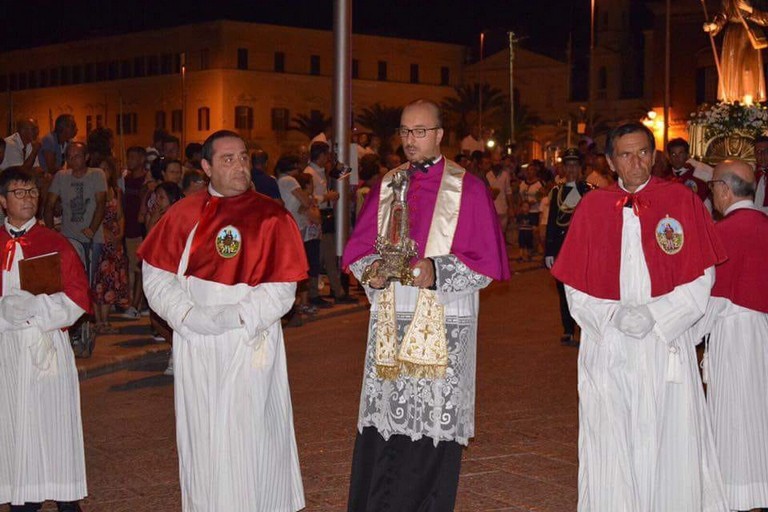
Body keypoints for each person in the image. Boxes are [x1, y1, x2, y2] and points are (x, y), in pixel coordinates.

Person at [551, 122, 728, 511]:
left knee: (668, 434)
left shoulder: (680, 202)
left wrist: (657, 316)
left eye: (644, 152)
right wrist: (612, 316)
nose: (637, 162)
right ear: (612, 162)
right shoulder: (593, 208)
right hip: (609, 345)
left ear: (654, 155)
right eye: (626, 155)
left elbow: (702, 278)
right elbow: (574, 286)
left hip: (663, 343)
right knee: (610, 436)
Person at [342, 99, 509, 511]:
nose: (410, 140)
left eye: (419, 131)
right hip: (390, 320)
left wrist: (437, 270)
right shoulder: (386, 185)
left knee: (430, 420)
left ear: (439, 135)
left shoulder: (466, 187)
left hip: (442, 319)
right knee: (385, 423)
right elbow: (360, 250)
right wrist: (372, 272)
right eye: (404, 131)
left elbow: (485, 264)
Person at [138, 130, 307, 511]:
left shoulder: (273, 216)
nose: (239, 166)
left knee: (253, 433)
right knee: (203, 434)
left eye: (244, 157)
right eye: (228, 159)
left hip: (251, 341)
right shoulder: (182, 214)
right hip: (197, 342)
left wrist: (237, 315)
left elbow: (283, 289)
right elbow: (156, 276)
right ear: (206, 167)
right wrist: (188, 316)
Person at [0, 167, 90, 512]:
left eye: (33, 192)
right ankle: (24, 496)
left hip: (46, 346)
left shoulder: (54, 243)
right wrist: (6, 314)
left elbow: (79, 299)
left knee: (53, 427)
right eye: (19, 192)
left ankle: (67, 500)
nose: (29, 198)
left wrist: (37, 309)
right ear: (3, 201)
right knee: (15, 427)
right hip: (7, 350)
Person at [697, 159, 768, 511]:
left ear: (724, 190)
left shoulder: (723, 232)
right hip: (762, 334)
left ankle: (735, 495)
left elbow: (713, 297)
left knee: (734, 416)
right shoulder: (765, 225)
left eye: (712, 188)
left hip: (733, 335)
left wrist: (685, 335)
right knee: (760, 413)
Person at [544, 148, 591, 346]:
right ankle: (568, 329)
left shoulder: (589, 190)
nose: (571, 169)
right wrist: (549, 251)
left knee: (584, 291)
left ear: (580, 168)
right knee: (563, 291)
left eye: (575, 165)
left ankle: (586, 328)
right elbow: (552, 223)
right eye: (568, 165)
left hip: (582, 247)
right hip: (562, 247)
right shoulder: (556, 192)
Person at [45, 142, 107, 286]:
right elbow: (48, 205)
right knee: (69, 280)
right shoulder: (61, 176)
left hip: (92, 238)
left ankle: (87, 308)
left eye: (77, 156)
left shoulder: (97, 174)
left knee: (89, 281)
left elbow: (101, 203)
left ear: (86, 157)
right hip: (69, 237)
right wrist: (51, 232)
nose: (73, 159)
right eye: (69, 156)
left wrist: (92, 229)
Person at [303, 141, 357, 306]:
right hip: (317, 217)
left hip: (326, 216)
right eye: (327, 155)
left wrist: (335, 165)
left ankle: (337, 291)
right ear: (321, 155)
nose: (329, 158)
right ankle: (319, 293)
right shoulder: (310, 173)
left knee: (328, 255)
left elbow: (345, 174)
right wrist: (327, 197)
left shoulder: (321, 171)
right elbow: (308, 198)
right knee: (319, 257)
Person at [92, 158, 130, 334]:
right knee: (97, 281)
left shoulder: (116, 191)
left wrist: (120, 233)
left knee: (110, 281)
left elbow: (120, 215)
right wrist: (103, 232)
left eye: (105, 170)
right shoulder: (93, 192)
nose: (103, 174)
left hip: (114, 242)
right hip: (99, 241)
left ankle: (105, 321)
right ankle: (98, 320)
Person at [704, 0, 768, 103]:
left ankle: (749, 101)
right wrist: (714, 25)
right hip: (733, 36)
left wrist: (749, 9)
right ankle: (736, 101)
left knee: (748, 69)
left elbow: (765, 18)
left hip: (749, 35)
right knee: (734, 67)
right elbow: (722, 16)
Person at [665, 138, 711, 203]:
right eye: (673, 154)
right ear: (669, 157)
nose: (677, 158)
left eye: (680, 153)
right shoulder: (665, 180)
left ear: (687, 155)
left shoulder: (698, 177)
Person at [753, 135, 768, 213]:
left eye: (766, 151)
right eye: (759, 152)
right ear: (755, 155)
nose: (762, 155)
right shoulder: (750, 174)